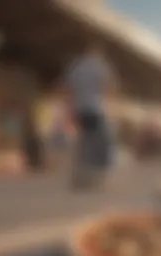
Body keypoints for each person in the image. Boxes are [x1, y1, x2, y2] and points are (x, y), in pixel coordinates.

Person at [64, 41, 116, 189]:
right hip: (95, 109)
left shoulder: (76, 66)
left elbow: (68, 88)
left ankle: (80, 178)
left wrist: (71, 109)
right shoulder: (98, 65)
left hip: (79, 110)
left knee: (85, 141)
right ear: (95, 52)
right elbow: (109, 84)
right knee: (103, 142)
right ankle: (98, 178)